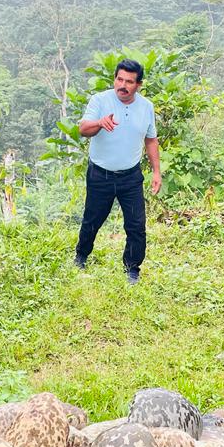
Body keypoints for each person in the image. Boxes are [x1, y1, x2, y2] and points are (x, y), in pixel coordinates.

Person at [75, 59, 161, 284]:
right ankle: (81, 256)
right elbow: (83, 129)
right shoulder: (100, 100)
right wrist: (100, 123)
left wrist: (156, 172)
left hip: (130, 176)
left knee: (136, 225)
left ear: (138, 85)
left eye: (129, 82)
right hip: (100, 175)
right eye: (119, 79)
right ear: (114, 79)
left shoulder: (146, 107)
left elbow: (151, 139)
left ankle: (132, 269)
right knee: (92, 220)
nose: (123, 85)